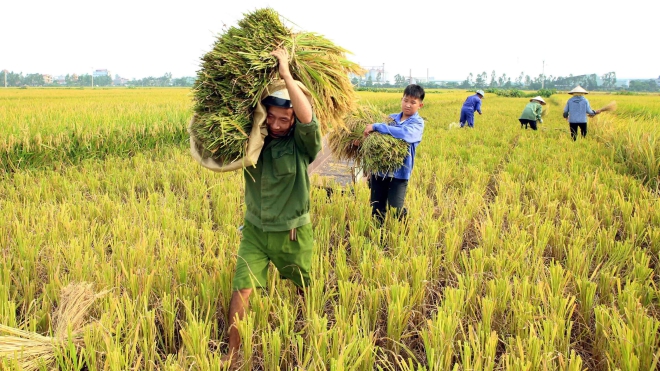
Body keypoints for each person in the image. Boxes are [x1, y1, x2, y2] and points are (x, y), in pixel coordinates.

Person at [222, 48, 322, 364]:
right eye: (273, 118)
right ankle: (233, 353)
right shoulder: (253, 140)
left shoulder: (301, 144)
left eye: (284, 119)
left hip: (291, 232)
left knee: (304, 287)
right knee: (242, 289)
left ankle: (312, 339)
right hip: (254, 229)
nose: (278, 125)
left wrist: (286, 75)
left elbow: (308, 118)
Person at [362, 84, 425, 223]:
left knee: (395, 208)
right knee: (377, 208)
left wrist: (377, 127)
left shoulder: (417, 124)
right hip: (380, 171)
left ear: (420, 105)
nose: (408, 105)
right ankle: (377, 237)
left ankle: (407, 225)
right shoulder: (390, 119)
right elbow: (374, 139)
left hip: (400, 173)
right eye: (405, 100)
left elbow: (405, 134)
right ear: (401, 100)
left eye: (413, 102)